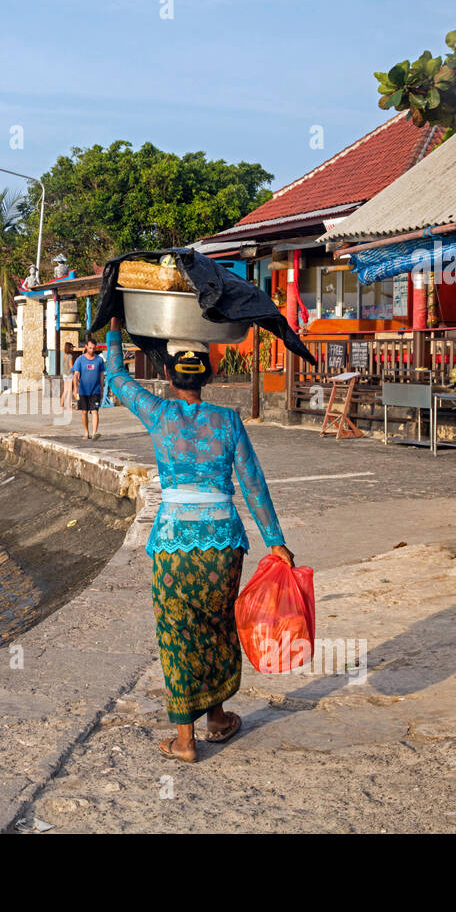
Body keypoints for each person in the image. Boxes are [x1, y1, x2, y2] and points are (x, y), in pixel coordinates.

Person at [105, 316, 295, 764]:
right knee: (217, 625)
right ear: (207, 375)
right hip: (224, 544)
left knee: (177, 634)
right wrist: (275, 540)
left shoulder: (160, 413)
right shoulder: (228, 420)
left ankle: (185, 741)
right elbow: (252, 482)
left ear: (169, 376)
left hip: (173, 545)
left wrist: (115, 327)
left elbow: (115, 377)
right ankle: (218, 718)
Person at [70, 337, 105, 440]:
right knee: (84, 412)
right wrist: (75, 389)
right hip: (83, 390)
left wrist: (102, 389)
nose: (91, 350)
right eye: (90, 348)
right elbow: (76, 375)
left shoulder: (99, 360)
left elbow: (102, 375)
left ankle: (94, 433)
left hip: (96, 390)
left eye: (93, 348)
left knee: (95, 411)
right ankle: (86, 432)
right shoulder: (80, 360)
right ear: (86, 347)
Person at [61, 342, 77, 410]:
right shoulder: (70, 356)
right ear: (69, 348)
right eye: (72, 347)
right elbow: (71, 366)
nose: (73, 348)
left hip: (64, 374)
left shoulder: (65, 354)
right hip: (69, 374)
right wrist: (76, 368)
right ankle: (68, 406)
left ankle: (61, 405)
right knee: (69, 390)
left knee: (65, 390)